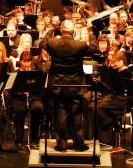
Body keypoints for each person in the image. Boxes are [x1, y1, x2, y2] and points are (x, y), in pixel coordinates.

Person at [40, 19, 97, 152]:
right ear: (73, 32)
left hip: (58, 86)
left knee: (60, 117)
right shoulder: (80, 45)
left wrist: (52, 28)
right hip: (75, 86)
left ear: (61, 30)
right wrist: (90, 32)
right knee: (76, 117)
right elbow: (93, 49)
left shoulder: (53, 43)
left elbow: (43, 42)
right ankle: (79, 144)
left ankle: (61, 145)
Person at [96, 51, 133, 145]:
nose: (115, 63)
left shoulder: (126, 72)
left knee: (102, 109)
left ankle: (106, 138)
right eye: (114, 61)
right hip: (118, 98)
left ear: (123, 61)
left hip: (124, 100)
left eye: (117, 61)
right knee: (96, 105)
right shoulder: (118, 71)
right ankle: (106, 133)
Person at [8, 51, 44, 148]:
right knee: (20, 110)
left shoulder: (36, 74)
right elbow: (10, 90)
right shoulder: (15, 74)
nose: (26, 64)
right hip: (18, 98)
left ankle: (34, 137)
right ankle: (19, 138)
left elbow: (40, 89)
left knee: (38, 108)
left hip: (33, 97)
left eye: (28, 62)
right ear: (20, 62)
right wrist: (18, 90)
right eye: (24, 61)